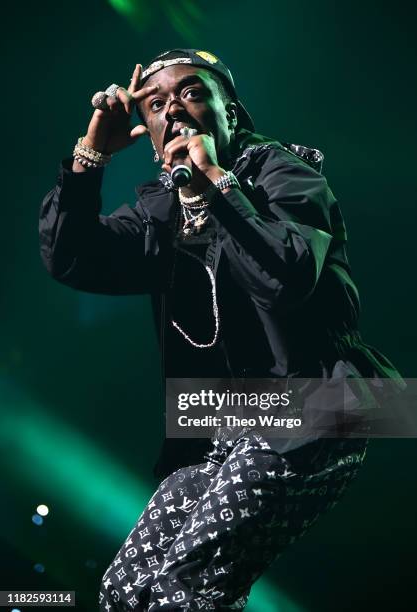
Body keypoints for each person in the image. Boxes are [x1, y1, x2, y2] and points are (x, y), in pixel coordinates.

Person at [39, 49, 402, 611]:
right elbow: (72, 258)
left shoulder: (286, 174)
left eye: (191, 92)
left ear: (231, 110)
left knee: (184, 584)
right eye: (156, 103)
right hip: (223, 420)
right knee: (125, 590)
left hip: (326, 403)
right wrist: (92, 156)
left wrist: (214, 181)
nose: (174, 110)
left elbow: (285, 278)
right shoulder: (160, 212)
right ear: (152, 136)